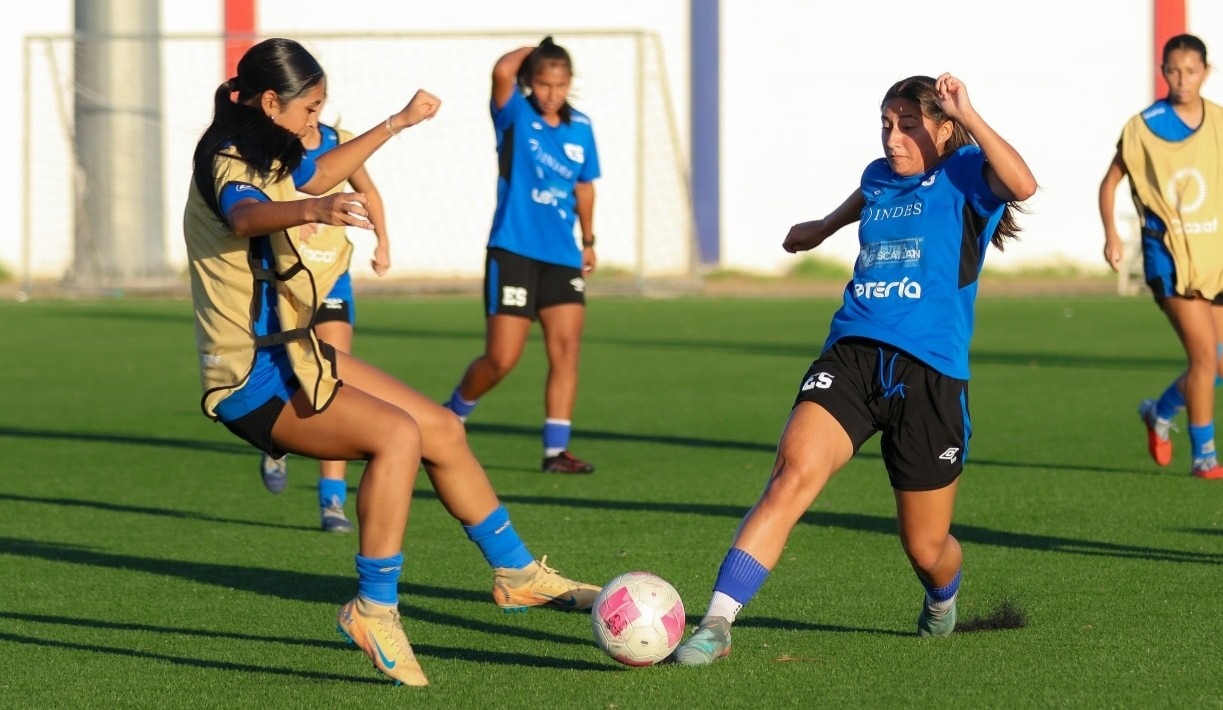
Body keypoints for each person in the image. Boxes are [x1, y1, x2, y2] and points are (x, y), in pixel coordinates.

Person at [185, 38, 600, 687]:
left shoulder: (274, 147)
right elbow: (245, 218)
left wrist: (397, 124)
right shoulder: (227, 157)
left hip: (297, 351)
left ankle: (516, 575)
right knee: (396, 437)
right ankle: (373, 610)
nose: (316, 121)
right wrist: (313, 210)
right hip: (250, 376)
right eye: (309, 108)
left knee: (441, 428)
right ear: (271, 102)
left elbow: (320, 172)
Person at [671, 73, 1038, 665]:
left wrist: (968, 108)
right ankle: (716, 623)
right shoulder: (877, 175)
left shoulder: (967, 172)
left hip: (931, 375)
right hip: (853, 354)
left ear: (945, 131)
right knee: (792, 475)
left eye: (908, 125)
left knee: (925, 547)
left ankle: (943, 597)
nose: (893, 138)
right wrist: (823, 227)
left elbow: (1023, 183)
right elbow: (866, 196)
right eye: (886, 125)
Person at [442, 36, 602, 474]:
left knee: (566, 351)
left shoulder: (581, 126)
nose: (552, 94)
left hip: (562, 256)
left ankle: (556, 452)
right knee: (501, 360)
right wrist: (535, 46)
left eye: (561, 84)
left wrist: (588, 240)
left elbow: (585, 186)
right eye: (544, 83)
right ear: (531, 81)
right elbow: (501, 71)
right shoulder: (514, 114)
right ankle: (450, 414)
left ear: (570, 84)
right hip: (512, 250)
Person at [258, 113, 395, 534]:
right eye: (305, 103)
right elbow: (253, 207)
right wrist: (297, 217)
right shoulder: (271, 147)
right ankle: (276, 440)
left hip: (333, 278)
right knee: (292, 375)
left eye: (317, 104)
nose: (310, 113)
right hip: (288, 280)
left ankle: (332, 500)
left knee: (332, 381)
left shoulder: (341, 142)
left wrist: (383, 241)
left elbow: (368, 191)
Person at [1099, 33, 1223, 481]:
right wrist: (1112, 234)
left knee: (1218, 361)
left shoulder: (1219, 123)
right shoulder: (1144, 126)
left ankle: (1160, 412)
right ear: (1163, 71)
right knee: (1205, 357)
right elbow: (1110, 182)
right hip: (1168, 258)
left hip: (1212, 256)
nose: (1182, 79)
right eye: (1173, 70)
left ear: (1206, 72)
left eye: (1191, 71)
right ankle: (1204, 455)